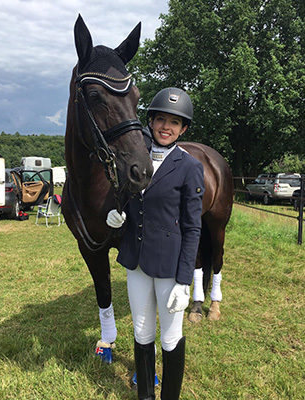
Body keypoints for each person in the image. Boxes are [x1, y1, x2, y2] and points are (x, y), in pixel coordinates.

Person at [105, 87, 204, 400]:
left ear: (183, 129)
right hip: (135, 261)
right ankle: (146, 396)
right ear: (150, 121)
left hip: (169, 268)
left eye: (174, 123)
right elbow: (125, 199)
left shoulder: (189, 167)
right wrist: (116, 215)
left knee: (171, 336)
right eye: (161, 119)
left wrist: (184, 281)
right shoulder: (136, 158)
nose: (166, 127)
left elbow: (192, 228)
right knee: (142, 331)